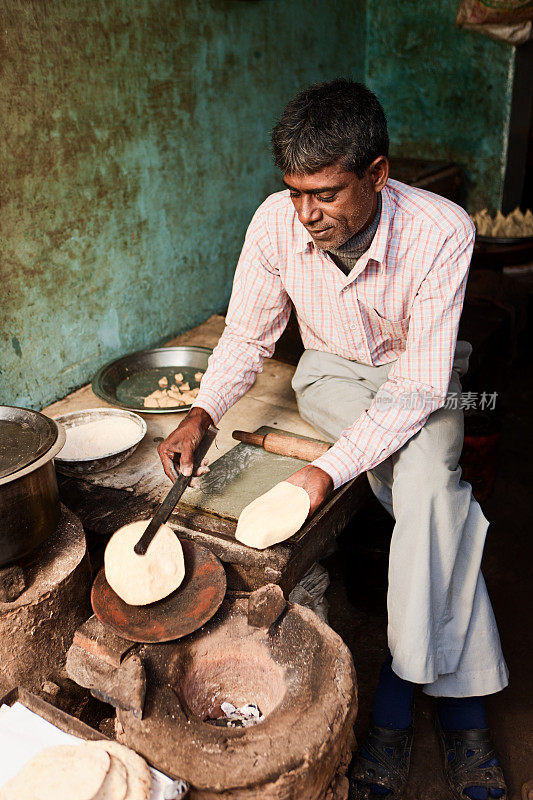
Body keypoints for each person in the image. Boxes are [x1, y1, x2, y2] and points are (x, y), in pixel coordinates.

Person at [158, 79, 508, 799]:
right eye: (294, 192)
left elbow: (416, 387)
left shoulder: (441, 230)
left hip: (421, 376)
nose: (307, 214)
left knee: (426, 490)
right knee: (432, 495)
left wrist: (324, 471)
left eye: (325, 193)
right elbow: (248, 335)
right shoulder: (274, 223)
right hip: (328, 379)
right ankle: (459, 712)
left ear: (377, 175)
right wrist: (203, 411)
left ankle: (395, 696)